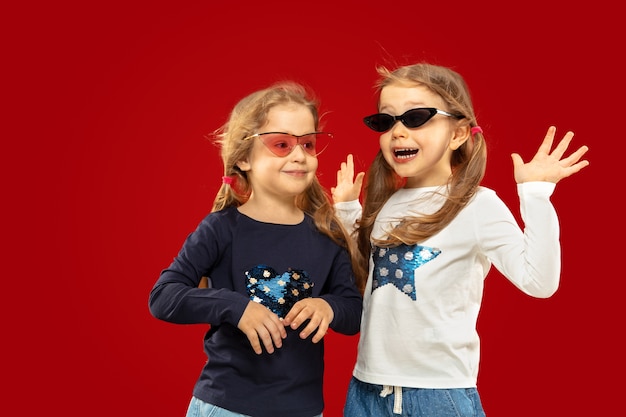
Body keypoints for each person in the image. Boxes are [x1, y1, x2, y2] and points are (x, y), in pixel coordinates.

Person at [331, 62, 589, 417]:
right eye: (386, 120)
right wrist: (347, 210)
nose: (398, 131)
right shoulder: (388, 201)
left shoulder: (477, 205)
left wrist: (536, 195)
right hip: (365, 388)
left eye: (416, 117)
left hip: (436, 396)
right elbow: (368, 272)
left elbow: (539, 282)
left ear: (458, 134)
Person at [149, 81, 365, 417]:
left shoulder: (328, 233)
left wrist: (328, 306)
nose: (299, 155)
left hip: (303, 410)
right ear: (244, 159)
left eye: (308, 144)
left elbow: (353, 311)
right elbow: (163, 297)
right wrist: (236, 307)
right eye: (281, 144)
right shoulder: (221, 229)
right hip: (225, 406)